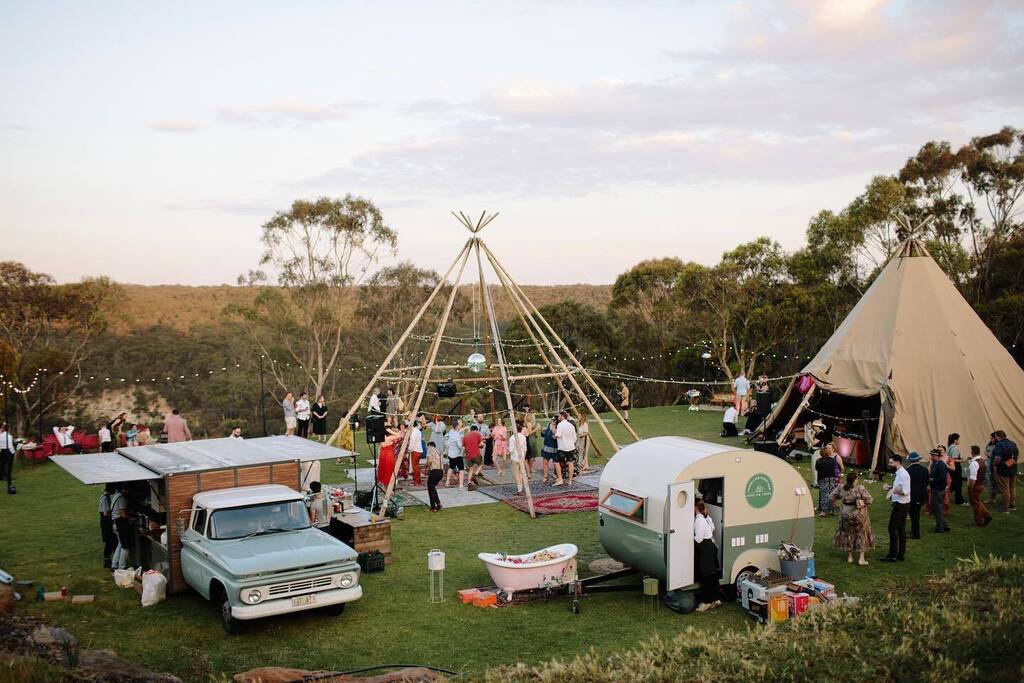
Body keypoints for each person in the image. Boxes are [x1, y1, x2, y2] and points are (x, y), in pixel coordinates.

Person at [833, 471, 874, 565]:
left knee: (848, 534)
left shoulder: (841, 487)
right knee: (861, 534)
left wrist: (839, 501)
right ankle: (861, 559)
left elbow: (832, 496)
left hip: (845, 514)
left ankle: (850, 557)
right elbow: (869, 499)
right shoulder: (860, 488)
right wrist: (862, 502)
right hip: (859, 515)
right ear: (855, 480)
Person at [880, 454, 911, 562]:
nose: (889, 464)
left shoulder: (903, 474)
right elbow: (898, 487)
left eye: (891, 462)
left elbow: (906, 491)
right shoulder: (899, 474)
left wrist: (896, 491)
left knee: (892, 528)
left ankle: (892, 555)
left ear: (897, 462)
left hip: (900, 505)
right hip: (901, 504)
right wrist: (890, 488)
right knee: (900, 529)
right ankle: (900, 555)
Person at [693, 500, 721, 612]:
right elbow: (713, 528)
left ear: (696, 509)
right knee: (713, 574)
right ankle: (716, 598)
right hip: (711, 545)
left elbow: (699, 538)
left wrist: (689, 539)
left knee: (706, 575)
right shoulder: (707, 518)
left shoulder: (699, 520)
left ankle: (706, 602)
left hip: (705, 547)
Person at [992, 430, 1018, 512]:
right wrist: (1009, 464)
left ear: (998, 436)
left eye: (995, 436)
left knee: (1004, 489)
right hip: (1013, 469)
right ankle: (1012, 504)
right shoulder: (1013, 444)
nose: (995, 438)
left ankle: (1005, 508)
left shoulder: (999, 445)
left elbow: (997, 458)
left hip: (1002, 470)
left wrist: (995, 466)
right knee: (1012, 487)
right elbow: (1015, 457)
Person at [967, 445, 993, 527]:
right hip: (981, 484)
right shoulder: (982, 461)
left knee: (975, 504)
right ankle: (987, 515)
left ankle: (979, 521)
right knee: (977, 501)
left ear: (972, 452)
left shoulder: (974, 463)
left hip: (975, 485)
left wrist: (971, 487)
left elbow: (973, 478)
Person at [110, 484, 133, 570]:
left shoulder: (116, 496)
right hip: (120, 523)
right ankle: (121, 567)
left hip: (115, 523)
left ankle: (114, 564)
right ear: (125, 489)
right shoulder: (122, 498)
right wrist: (131, 518)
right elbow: (123, 514)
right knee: (125, 546)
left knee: (120, 544)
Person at [906, 451, 929, 539]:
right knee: (916, 514)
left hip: (912, 497)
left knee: (914, 516)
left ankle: (915, 534)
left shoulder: (908, 471)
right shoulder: (925, 470)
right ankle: (914, 531)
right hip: (922, 496)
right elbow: (927, 483)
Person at [928, 448, 951, 532]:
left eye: (933, 456)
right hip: (935, 488)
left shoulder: (941, 465)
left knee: (937, 508)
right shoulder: (935, 463)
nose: (932, 457)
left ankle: (940, 528)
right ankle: (944, 525)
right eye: (931, 455)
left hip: (938, 489)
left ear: (938, 456)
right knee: (936, 508)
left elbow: (942, 478)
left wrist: (932, 480)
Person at [554, 410, 578, 487]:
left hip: (562, 447)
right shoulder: (571, 425)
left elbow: (558, 435)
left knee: (556, 462)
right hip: (571, 447)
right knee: (571, 463)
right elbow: (575, 438)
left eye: (559, 416)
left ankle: (560, 479)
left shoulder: (560, 425)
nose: (558, 417)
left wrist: (553, 432)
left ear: (562, 416)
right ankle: (570, 481)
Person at [815, 444, 839, 516]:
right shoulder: (833, 460)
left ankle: (824, 511)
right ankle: (833, 510)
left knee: (824, 494)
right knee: (832, 494)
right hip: (832, 479)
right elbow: (835, 469)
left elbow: (817, 469)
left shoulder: (819, 461)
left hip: (823, 478)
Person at [99, 483, 117, 568]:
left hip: (105, 522)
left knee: (110, 541)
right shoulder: (106, 499)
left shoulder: (103, 496)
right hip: (106, 522)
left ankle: (110, 559)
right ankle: (107, 561)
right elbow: (106, 513)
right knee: (109, 541)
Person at [445, 419, 466, 489]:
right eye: (459, 425)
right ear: (457, 426)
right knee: (461, 470)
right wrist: (463, 448)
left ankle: (447, 481)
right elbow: (459, 445)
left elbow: (446, 438)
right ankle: (461, 485)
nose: (460, 426)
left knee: (451, 467)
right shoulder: (457, 435)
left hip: (451, 453)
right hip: (457, 454)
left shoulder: (451, 432)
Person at [509, 420, 528, 494]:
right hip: (522, 457)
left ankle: (519, 489)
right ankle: (524, 487)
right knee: (522, 473)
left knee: (517, 474)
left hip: (514, 458)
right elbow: (525, 449)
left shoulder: (512, 438)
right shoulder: (523, 437)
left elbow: (511, 450)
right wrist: (524, 457)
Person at [806, 420, 826, 487]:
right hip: (815, 451)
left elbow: (813, 442)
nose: (813, 427)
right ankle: (816, 482)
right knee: (814, 467)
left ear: (818, 427)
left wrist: (809, 434)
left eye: (814, 426)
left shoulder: (821, 434)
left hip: (817, 452)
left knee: (816, 467)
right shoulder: (817, 433)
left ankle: (817, 483)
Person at [948, 433, 965, 506]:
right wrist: (963, 460)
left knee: (954, 483)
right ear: (955, 440)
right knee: (958, 484)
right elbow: (954, 460)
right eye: (959, 439)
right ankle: (959, 500)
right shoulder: (954, 448)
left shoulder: (950, 447)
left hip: (951, 467)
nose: (959, 441)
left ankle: (945, 495)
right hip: (955, 467)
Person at [426, 444, 444, 511]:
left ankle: (433, 507)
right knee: (432, 487)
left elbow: (429, 461)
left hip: (434, 471)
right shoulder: (438, 451)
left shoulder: (430, 450)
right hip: (440, 471)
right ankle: (438, 503)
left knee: (430, 488)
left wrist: (426, 466)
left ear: (429, 445)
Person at [541, 418, 558, 484]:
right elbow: (544, 435)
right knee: (545, 461)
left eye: (554, 419)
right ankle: (545, 476)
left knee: (555, 463)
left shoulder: (558, 426)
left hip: (554, 447)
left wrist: (553, 428)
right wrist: (543, 431)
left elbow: (555, 437)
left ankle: (556, 475)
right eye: (552, 419)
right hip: (546, 446)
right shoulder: (548, 424)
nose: (553, 420)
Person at [408, 418, 424, 487]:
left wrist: (409, 449)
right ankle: (417, 479)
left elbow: (412, 442)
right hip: (418, 450)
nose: (420, 425)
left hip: (415, 450)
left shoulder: (414, 432)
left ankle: (417, 481)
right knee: (416, 466)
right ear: (417, 424)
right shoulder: (418, 431)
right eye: (420, 424)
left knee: (415, 466)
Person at [0, 423, 15, 493]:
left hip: (2, 451)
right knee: (9, 465)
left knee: (2, 465)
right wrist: (13, 452)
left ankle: (3, 476)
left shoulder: (1, 435)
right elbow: (10, 445)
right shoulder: (9, 436)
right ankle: (8, 480)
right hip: (8, 451)